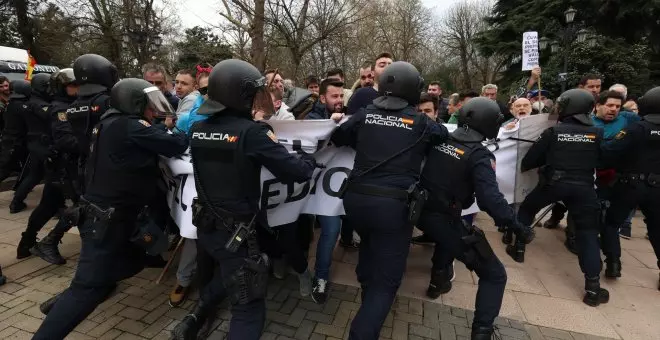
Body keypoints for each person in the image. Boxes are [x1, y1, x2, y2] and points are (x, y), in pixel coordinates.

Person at [171, 59, 319, 340]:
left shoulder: (199, 129)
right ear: (241, 95)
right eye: (253, 93)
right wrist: (310, 158)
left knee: (226, 275)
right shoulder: (252, 133)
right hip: (237, 233)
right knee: (249, 308)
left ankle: (193, 320)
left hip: (208, 228)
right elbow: (295, 172)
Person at [32, 78, 188, 339]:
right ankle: (63, 310)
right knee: (88, 289)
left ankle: (65, 301)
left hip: (112, 217)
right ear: (134, 104)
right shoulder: (130, 125)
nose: (152, 111)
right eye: (148, 106)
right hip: (106, 221)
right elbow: (176, 144)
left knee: (134, 261)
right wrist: (176, 130)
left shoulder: (109, 122)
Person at [331, 61, 448, 339]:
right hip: (394, 209)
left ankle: (367, 294)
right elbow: (443, 135)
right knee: (387, 282)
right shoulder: (420, 122)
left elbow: (338, 138)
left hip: (356, 203)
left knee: (370, 250)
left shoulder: (363, 115)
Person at [418, 97, 524, 339]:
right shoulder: (479, 155)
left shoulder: (441, 139)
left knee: (453, 232)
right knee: (495, 275)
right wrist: (516, 225)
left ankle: (439, 280)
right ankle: (482, 332)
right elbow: (490, 200)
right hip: (442, 216)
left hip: (421, 211)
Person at [514, 89, 609, 307]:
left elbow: (530, 160)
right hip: (584, 189)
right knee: (588, 234)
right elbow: (604, 161)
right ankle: (592, 288)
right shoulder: (598, 133)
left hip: (553, 185)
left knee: (527, 209)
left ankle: (519, 247)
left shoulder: (553, 133)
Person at [600, 86, 660, 287]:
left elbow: (611, 150)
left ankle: (613, 263)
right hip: (656, 188)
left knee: (611, 223)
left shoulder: (636, 128)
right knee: (656, 228)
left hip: (630, 185)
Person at [20, 69, 81, 265]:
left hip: (63, 164)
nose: (77, 88)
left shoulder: (70, 104)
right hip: (61, 166)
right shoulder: (59, 108)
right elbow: (65, 139)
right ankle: (44, 242)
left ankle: (28, 241)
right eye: (73, 85)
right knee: (78, 206)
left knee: (49, 205)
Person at [10, 73, 52, 214]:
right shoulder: (40, 104)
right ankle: (56, 207)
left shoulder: (29, 102)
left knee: (34, 175)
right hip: (44, 143)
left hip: (34, 143)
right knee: (53, 176)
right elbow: (50, 118)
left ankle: (16, 202)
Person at [0, 81, 30, 185]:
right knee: (4, 170)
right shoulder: (20, 106)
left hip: (11, 140)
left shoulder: (11, 103)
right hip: (15, 142)